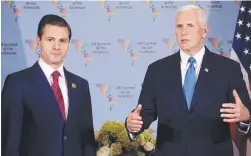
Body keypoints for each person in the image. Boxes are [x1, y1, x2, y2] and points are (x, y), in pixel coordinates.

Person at [125, 5, 251, 156]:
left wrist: (245, 116)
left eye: (190, 25)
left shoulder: (228, 69)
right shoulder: (157, 70)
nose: (183, 32)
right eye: (179, 26)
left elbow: (245, 112)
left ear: (204, 30)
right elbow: (144, 113)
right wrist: (132, 124)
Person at [2, 14, 96, 156]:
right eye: (50, 40)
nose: (57, 47)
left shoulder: (81, 85)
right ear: (38, 41)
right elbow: (10, 143)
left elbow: (87, 141)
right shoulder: (17, 83)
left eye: (63, 41)